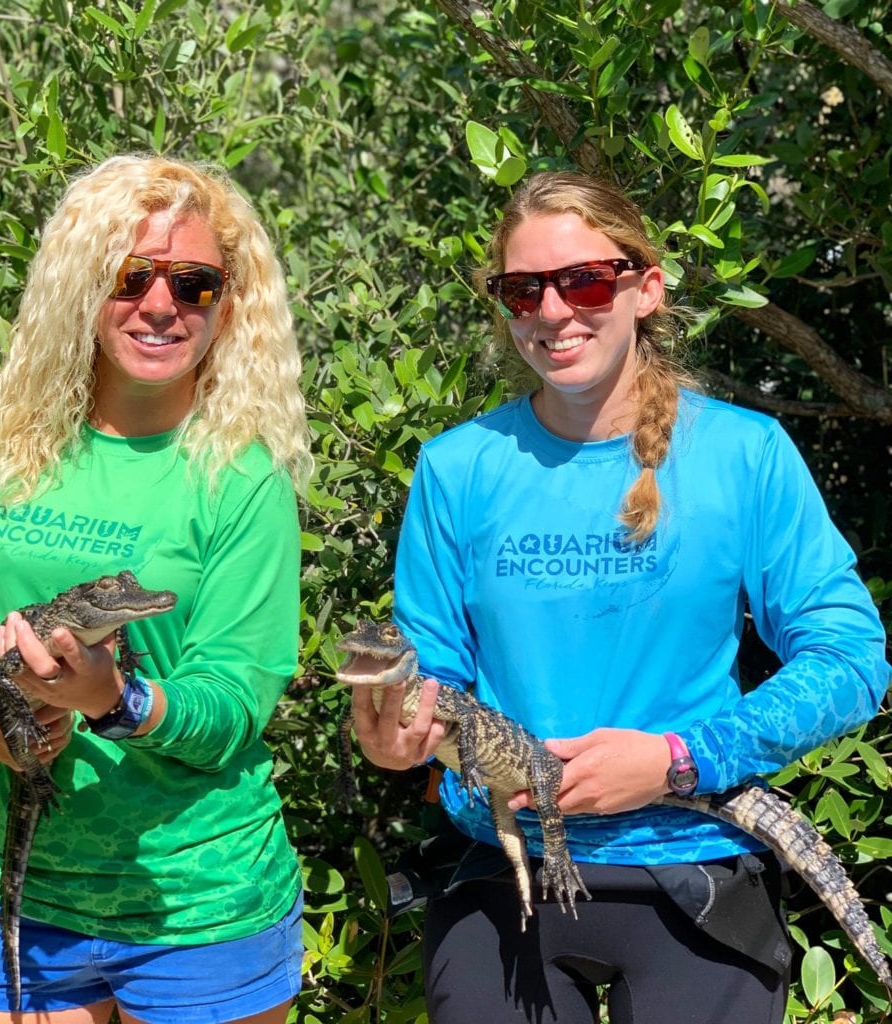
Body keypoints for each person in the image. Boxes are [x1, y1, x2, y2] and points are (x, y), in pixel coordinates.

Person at [350, 172, 889, 1023]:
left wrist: (680, 758)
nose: (553, 311)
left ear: (647, 288)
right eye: (522, 290)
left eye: (586, 281)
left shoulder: (744, 453)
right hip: (506, 870)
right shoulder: (457, 468)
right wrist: (400, 737)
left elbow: (852, 659)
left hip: (696, 864)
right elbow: (434, 680)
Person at [0, 155, 311, 1024]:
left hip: (200, 905)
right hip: (24, 888)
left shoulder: (241, 478)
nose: (160, 304)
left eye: (193, 283)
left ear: (227, 306)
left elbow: (234, 703)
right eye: (129, 276)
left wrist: (116, 701)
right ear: (82, 285)